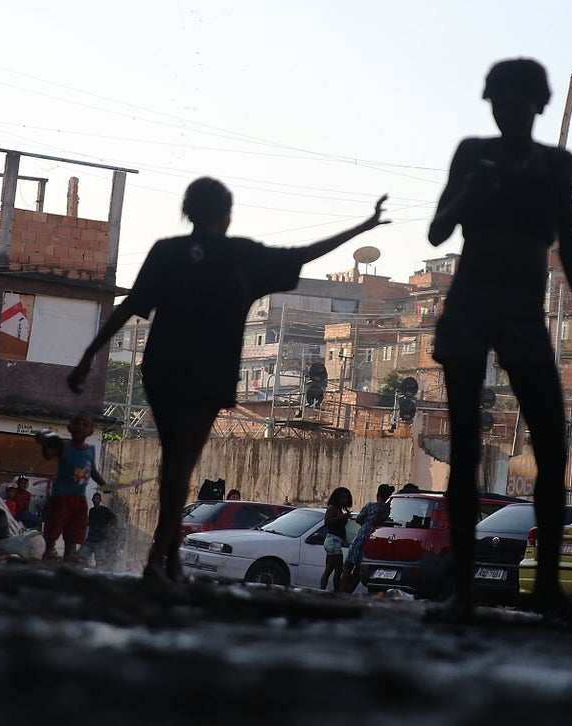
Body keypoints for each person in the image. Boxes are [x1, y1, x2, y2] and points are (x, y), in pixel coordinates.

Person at [67, 177, 390, 582]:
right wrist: (363, 226)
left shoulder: (167, 252)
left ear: (188, 210)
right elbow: (305, 253)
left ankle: (169, 560)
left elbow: (130, 305)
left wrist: (88, 356)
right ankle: (156, 561)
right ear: (227, 214)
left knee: (175, 461)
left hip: (164, 366)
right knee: (180, 464)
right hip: (208, 372)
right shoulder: (241, 255)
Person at [426, 58, 572, 622]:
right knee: (463, 451)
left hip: (523, 313)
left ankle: (547, 587)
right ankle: (462, 592)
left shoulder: (556, 163)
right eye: (498, 102)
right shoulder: (472, 154)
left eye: (516, 101)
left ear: (538, 104)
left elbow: (570, 248)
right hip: (470, 306)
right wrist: (471, 190)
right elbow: (437, 231)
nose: (505, 112)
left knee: (552, 448)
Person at [35, 412, 108, 562]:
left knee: (75, 527)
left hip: (79, 497)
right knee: (55, 524)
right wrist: (43, 443)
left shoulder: (90, 450)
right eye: (77, 423)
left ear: (90, 432)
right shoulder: (63, 446)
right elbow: (48, 455)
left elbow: (93, 471)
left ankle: (69, 555)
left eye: (84, 424)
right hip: (60, 496)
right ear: (69, 428)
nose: (80, 426)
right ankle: (49, 551)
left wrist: (104, 485)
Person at [342, 484, 394, 593]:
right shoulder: (387, 510)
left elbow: (358, 519)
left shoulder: (370, 506)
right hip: (374, 538)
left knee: (347, 566)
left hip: (362, 537)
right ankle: (348, 593)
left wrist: (365, 523)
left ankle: (341, 592)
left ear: (377, 494)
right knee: (358, 570)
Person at [320, 487, 353, 592]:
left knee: (330, 568)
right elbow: (327, 521)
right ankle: (335, 592)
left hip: (335, 541)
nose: (345, 500)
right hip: (333, 541)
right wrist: (342, 517)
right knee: (338, 569)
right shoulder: (332, 508)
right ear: (337, 498)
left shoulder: (340, 509)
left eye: (346, 498)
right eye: (342, 497)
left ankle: (324, 590)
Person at [77, 492, 117, 567]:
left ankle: (98, 572)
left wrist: (107, 527)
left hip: (100, 539)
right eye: (95, 498)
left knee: (99, 561)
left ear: (100, 500)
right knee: (82, 558)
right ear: (92, 500)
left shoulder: (104, 510)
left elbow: (115, 519)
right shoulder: (91, 510)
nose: (96, 500)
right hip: (90, 538)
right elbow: (89, 522)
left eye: (97, 498)